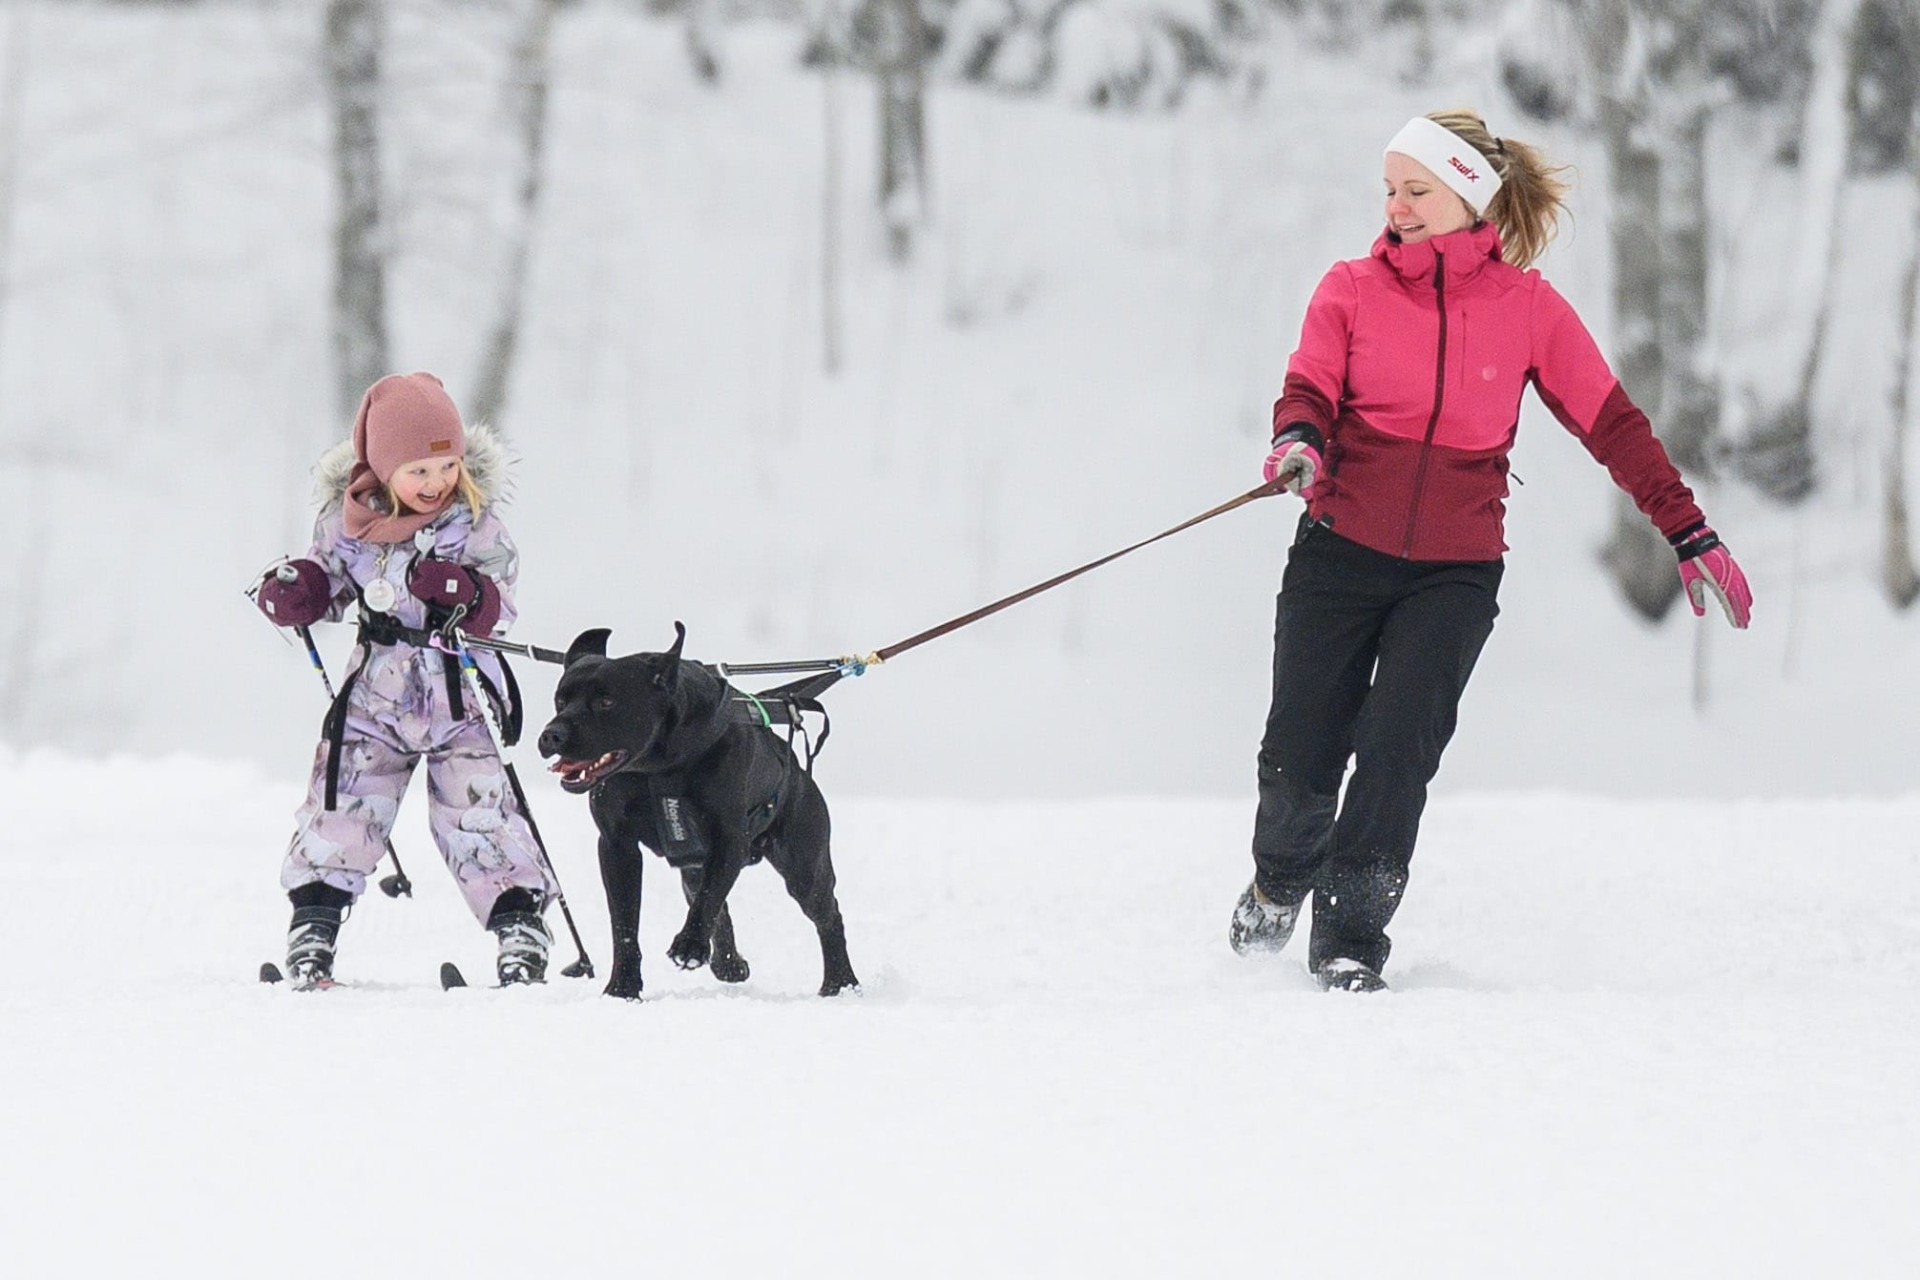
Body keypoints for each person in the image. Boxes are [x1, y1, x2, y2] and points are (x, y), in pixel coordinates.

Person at [1228, 111, 1753, 993]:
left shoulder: (1528, 311)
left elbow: (1612, 425)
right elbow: (1309, 384)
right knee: (1301, 754)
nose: (1396, 206)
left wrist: (1686, 527)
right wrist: (1301, 441)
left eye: (1416, 190)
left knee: (1398, 753)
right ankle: (1280, 876)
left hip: (1455, 572)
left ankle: (1352, 933)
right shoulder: (1350, 289)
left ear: (1469, 194)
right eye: (1389, 189)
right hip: (1339, 554)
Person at [254, 372, 557, 988]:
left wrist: (467, 592)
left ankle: (519, 927)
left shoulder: (475, 523)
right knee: (344, 799)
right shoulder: (345, 524)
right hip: (376, 696)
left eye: (445, 467)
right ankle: (314, 922)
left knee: (479, 813)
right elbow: (332, 583)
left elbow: (500, 606)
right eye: (418, 470)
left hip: (461, 694)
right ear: (383, 467)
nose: (435, 483)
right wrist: (301, 592)